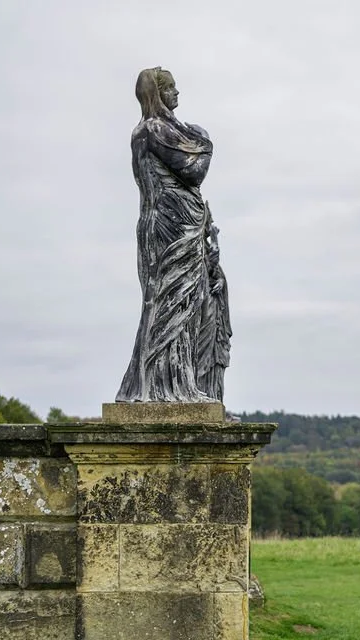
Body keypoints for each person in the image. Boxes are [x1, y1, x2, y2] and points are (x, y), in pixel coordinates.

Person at [116, 67, 231, 403]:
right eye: (171, 88)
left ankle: (171, 384)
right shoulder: (154, 129)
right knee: (173, 303)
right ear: (158, 94)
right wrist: (205, 142)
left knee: (177, 304)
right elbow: (195, 172)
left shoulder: (148, 131)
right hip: (172, 228)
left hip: (171, 226)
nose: (177, 93)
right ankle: (166, 389)